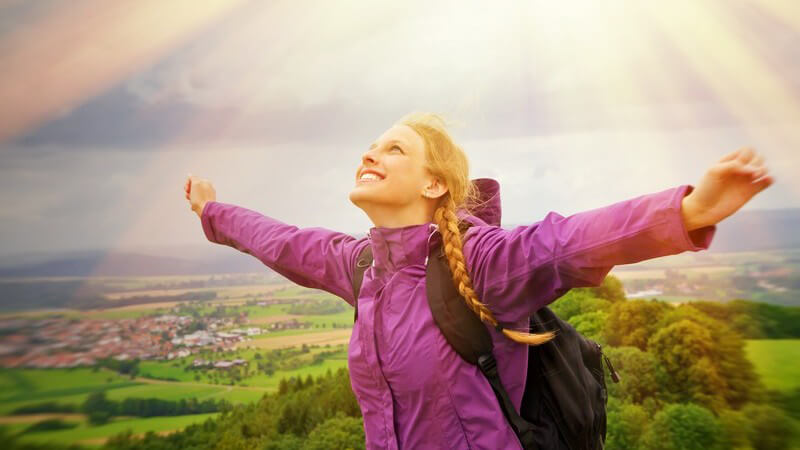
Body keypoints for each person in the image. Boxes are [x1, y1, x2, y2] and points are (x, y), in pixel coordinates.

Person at [183, 112, 774, 449]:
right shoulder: (362, 267)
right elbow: (281, 242)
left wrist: (690, 211)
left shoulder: (485, 264)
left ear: (434, 184)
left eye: (393, 149)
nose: (371, 154)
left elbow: (569, 242)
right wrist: (213, 212)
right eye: (370, 146)